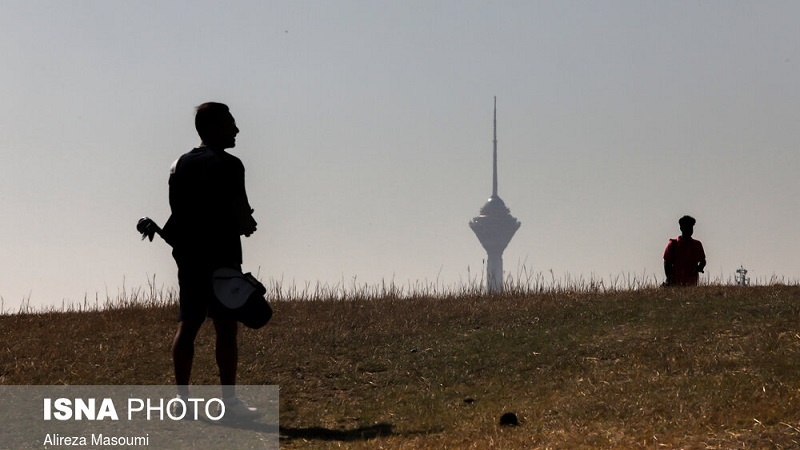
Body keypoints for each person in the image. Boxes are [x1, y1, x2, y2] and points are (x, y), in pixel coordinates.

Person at [160, 102, 259, 418]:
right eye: (231, 122)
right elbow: (242, 215)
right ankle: (229, 403)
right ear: (214, 126)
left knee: (188, 325)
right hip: (222, 256)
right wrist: (247, 224)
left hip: (189, 257)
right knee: (226, 329)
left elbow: (178, 211)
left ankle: (182, 401)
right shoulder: (231, 165)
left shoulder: (179, 165)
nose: (236, 129)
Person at [663, 215, 706, 286]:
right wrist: (669, 279)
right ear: (681, 228)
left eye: (691, 227)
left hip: (692, 284)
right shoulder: (673, 244)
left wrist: (699, 268)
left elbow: (703, 261)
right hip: (675, 283)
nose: (689, 229)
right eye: (687, 227)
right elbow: (666, 263)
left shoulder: (697, 244)